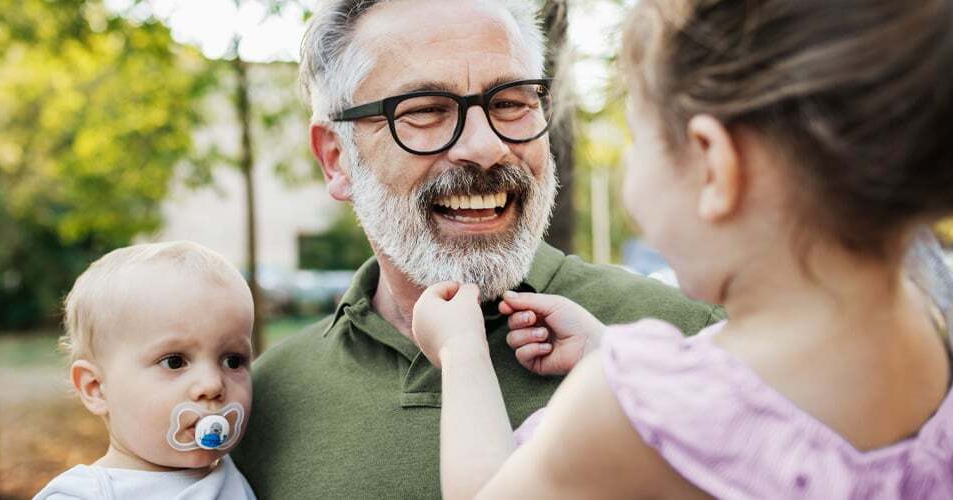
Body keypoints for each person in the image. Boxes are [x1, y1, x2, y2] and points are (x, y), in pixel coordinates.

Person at [412, 0, 953, 497]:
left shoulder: (617, 406)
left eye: (638, 140)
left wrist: (462, 354)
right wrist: (607, 350)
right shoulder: (927, 331)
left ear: (714, 166)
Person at [230, 0, 723, 497]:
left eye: (510, 102)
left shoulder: (695, 344)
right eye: (425, 110)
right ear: (336, 158)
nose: (486, 147)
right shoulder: (259, 402)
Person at [35, 242, 257, 499]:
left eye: (232, 360)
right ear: (96, 388)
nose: (212, 385)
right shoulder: (86, 494)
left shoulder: (235, 473)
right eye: (174, 361)